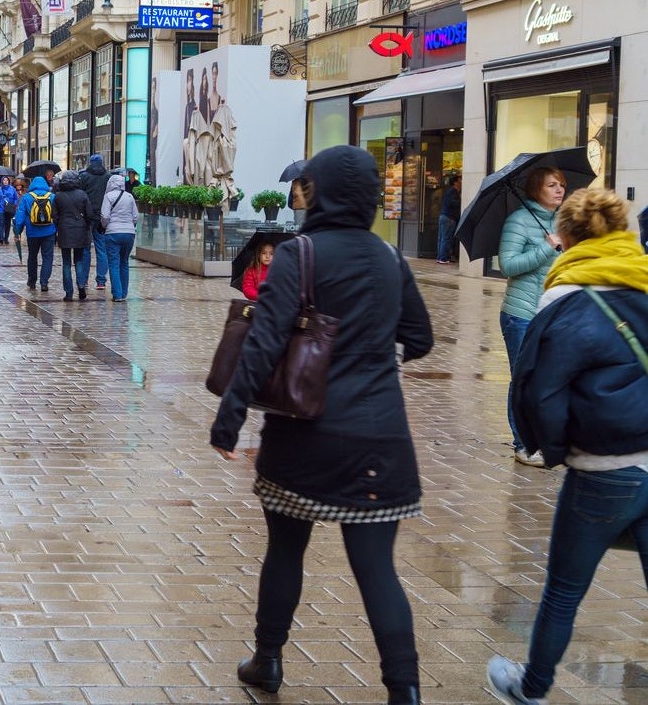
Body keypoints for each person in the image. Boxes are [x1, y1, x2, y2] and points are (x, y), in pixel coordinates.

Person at [210, 145, 433, 705]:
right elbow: (421, 338)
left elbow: (263, 344)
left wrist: (230, 416)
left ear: (323, 192)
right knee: (377, 568)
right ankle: (404, 690)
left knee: (285, 550)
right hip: (381, 435)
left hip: (305, 435)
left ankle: (268, 660)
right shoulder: (389, 257)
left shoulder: (299, 254)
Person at [486, 188, 648, 705]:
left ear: (570, 236)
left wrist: (557, 450)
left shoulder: (562, 298)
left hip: (603, 467)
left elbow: (538, 391)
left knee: (562, 590)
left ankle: (530, 688)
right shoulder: (643, 282)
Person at [499, 166, 566, 468]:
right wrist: (545, 247)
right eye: (551, 185)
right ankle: (523, 444)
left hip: (552, 313)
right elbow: (508, 266)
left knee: (548, 379)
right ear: (536, 189)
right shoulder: (518, 221)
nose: (559, 190)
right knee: (523, 379)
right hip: (521, 314)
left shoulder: (562, 221)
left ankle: (544, 439)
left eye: (562, 185)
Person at [52, 170, 95, 301]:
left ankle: (69, 293)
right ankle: (81, 287)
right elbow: (89, 214)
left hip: (65, 230)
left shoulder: (58, 196)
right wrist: (85, 225)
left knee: (66, 262)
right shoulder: (82, 194)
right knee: (79, 260)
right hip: (80, 230)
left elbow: (54, 216)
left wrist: (60, 225)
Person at [13, 175, 58, 291]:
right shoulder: (52, 197)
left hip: (32, 232)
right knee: (47, 257)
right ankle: (44, 282)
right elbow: (57, 215)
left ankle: (32, 281)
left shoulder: (27, 197)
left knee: (32, 256)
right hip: (49, 232)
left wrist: (17, 231)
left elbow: (20, 216)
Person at [100, 173, 139, 302]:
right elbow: (135, 217)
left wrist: (105, 226)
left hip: (113, 233)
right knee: (124, 262)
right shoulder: (129, 196)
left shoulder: (108, 196)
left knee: (114, 264)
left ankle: (117, 294)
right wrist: (129, 226)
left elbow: (105, 216)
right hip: (129, 233)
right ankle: (124, 293)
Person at [80, 154, 112, 290]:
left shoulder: (84, 176)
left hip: (87, 217)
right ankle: (101, 281)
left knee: (86, 249)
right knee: (102, 249)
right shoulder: (108, 177)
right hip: (102, 217)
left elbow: (80, 194)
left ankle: (84, 279)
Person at [436, 175, 461, 264]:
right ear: (455, 182)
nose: (461, 182)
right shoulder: (453, 192)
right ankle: (443, 258)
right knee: (446, 238)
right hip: (449, 218)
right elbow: (452, 203)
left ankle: (440, 257)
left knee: (442, 238)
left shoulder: (449, 191)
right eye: (460, 180)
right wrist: (460, 201)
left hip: (444, 216)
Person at [0, 176, 20, 244]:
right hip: (1, 209)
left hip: (9, 209)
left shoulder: (12, 189)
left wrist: (15, 204)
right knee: (1, 223)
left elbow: (16, 198)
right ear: (2, 181)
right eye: (4, 180)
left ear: (8, 181)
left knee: (7, 224)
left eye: (6, 180)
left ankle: (6, 238)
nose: (5, 181)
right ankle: (1, 237)